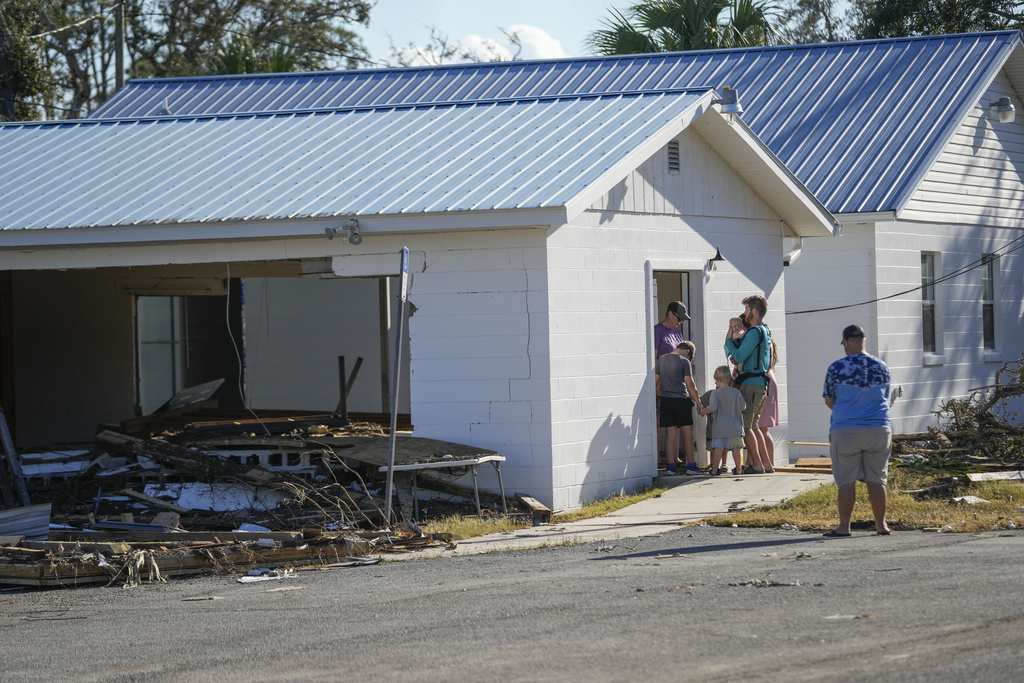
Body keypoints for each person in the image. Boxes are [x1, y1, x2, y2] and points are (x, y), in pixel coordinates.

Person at [822, 325, 893, 537]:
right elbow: (885, 396)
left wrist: (847, 413)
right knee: (877, 480)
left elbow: (829, 399)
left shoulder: (837, 367)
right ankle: (881, 525)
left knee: (846, 480)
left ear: (846, 342)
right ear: (864, 340)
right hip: (879, 428)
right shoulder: (881, 366)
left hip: (846, 429)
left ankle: (844, 527)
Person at [724, 295, 774, 474]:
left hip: (751, 383)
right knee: (754, 425)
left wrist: (729, 340)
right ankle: (766, 464)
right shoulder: (765, 330)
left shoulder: (754, 331)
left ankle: (758, 465)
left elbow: (738, 356)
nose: (744, 313)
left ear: (754, 311)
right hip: (760, 383)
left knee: (746, 425)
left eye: (746, 309)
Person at [655, 341, 704, 475]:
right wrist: (699, 402)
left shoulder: (662, 359)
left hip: (666, 401)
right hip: (681, 400)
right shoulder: (684, 361)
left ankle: (671, 466)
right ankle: (691, 466)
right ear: (687, 351)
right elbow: (690, 384)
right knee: (687, 434)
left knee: (670, 434)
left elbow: (656, 381)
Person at [700, 366, 745, 476]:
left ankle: (715, 470)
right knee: (736, 448)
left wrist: (703, 411)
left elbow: (713, 407)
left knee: (718, 448)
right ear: (730, 379)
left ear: (716, 380)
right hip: (735, 426)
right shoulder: (736, 392)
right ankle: (738, 470)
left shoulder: (715, 393)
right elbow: (743, 407)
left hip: (719, 426)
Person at [757, 339, 780, 464]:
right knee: (760, 429)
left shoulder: (764, 343)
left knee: (762, 429)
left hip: (765, 383)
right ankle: (766, 462)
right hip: (768, 382)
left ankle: (768, 463)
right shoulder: (767, 343)